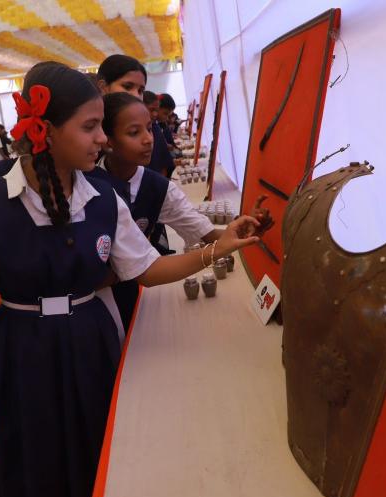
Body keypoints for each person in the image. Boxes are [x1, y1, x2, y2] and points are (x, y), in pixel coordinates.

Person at [0, 61, 260, 497]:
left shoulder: (101, 199)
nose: (103, 139)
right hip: (21, 356)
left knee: (98, 453)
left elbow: (147, 269)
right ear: (46, 131)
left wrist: (218, 247)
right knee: (35, 463)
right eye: (90, 127)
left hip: (91, 345)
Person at [95, 92, 274, 331]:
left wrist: (239, 231)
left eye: (149, 128)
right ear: (107, 140)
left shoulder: (158, 188)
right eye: (134, 132)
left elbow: (204, 232)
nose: (148, 139)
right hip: (95, 304)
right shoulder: (89, 187)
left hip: (132, 295)